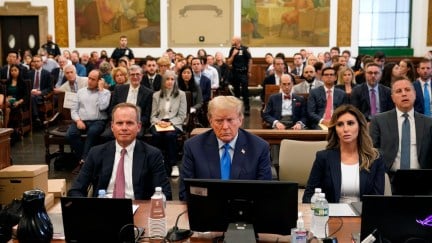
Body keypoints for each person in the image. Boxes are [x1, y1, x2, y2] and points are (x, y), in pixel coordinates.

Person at [67, 102, 172, 200]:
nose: (124, 128)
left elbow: (165, 193)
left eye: (129, 123)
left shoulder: (153, 155)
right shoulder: (96, 153)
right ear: (112, 127)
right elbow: (76, 190)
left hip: (138, 211)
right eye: (119, 123)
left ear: (139, 127)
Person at [179, 95, 273, 200]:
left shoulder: (259, 148)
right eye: (219, 121)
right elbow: (185, 193)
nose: (225, 127)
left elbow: (265, 192)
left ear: (240, 120)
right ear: (210, 121)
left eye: (230, 120)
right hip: (207, 210)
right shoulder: (193, 147)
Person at [303, 104, 385, 203]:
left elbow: (377, 200)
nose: (345, 129)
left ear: (360, 126)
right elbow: (308, 196)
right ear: (335, 129)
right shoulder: (323, 157)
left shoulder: (375, 158)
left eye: (350, 123)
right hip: (330, 215)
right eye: (340, 124)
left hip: (364, 215)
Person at [369, 77, 432, 178]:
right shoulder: (379, 120)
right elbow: (372, 150)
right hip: (388, 179)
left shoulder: (428, 123)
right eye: (398, 91)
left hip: (422, 180)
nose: (404, 94)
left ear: (415, 94)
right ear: (393, 98)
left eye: (407, 90)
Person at [66, 69, 111, 174]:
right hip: (82, 120)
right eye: (89, 78)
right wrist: (78, 121)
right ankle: (84, 160)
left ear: (100, 81)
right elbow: (74, 110)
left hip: (98, 121)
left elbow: (103, 107)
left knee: (92, 133)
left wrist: (100, 90)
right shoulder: (80, 92)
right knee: (70, 134)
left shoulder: (105, 93)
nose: (89, 81)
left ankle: (83, 162)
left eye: (93, 79)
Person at [150, 70, 187, 177]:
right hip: (159, 122)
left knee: (170, 135)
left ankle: (173, 165)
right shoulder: (156, 95)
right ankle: (158, 163)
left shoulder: (181, 94)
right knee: (156, 135)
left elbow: (182, 116)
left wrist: (169, 123)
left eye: (172, 79)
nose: (170, 82)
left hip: (174, 122)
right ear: (163, 81)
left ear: (175, 81)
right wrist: (159, 122)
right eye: (167, 79)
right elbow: (153, 116)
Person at [227, 36, 253, 115]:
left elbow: (250, 60)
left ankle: (247, 108)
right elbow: (229, 62)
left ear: (237, 41)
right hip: (235, 73)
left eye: (233, 40)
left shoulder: (245, 49)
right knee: (236, 91)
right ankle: (236, 109)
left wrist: (249, 71)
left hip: (243, 73)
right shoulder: (232, 49)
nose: (232, 41)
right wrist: (233, 55)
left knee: (245, 91)